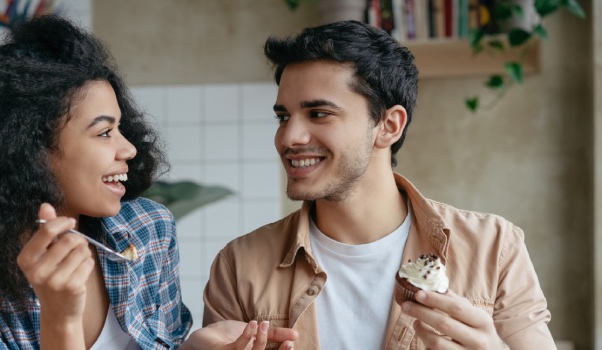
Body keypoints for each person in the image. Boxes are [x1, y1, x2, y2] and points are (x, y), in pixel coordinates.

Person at [202, 20, 555, 349]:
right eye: (283, 117)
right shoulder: (238, 266)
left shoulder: (494, 249)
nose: (288, 137)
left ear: (389, 125)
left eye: (318, 113)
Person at [0, 15, 192, 349]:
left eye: (120, 128)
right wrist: (60, 317)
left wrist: (199, 346)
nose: (128, 148)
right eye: (104, 132)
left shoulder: (150, 230)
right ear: (28, 152)